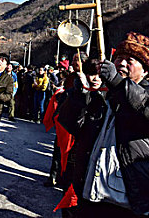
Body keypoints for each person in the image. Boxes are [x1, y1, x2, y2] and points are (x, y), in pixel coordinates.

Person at [64, 32, 149, 216]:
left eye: (130, 60)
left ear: (145, 70)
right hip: (91, 189)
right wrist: (79, 95)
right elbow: (73, 125)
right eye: (119, 58)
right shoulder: (102, 94)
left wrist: (119, 83)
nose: (122, 63)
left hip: (128, 196)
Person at [56, 59, 106, 216]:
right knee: (71, 204)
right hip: (77, 158)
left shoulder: (111, 98)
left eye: (100, 74)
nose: (96, 78)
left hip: (100, 162)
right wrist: (81, 94)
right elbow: (68, 122)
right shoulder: (74, 93)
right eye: (92, 74)